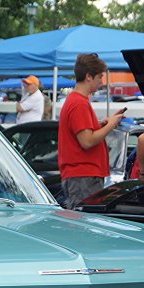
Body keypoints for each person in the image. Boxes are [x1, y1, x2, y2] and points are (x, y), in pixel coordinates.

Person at [58, 53, 126, 209]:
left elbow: (84, 135)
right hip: (84, 176)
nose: (101, 82)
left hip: (81, 176)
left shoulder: (75, 101)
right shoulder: (79, 103)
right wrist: (110, 125)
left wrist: (103, 125)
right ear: (89, 76)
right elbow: (87, 141)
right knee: (83, 228)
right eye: (99, 77)